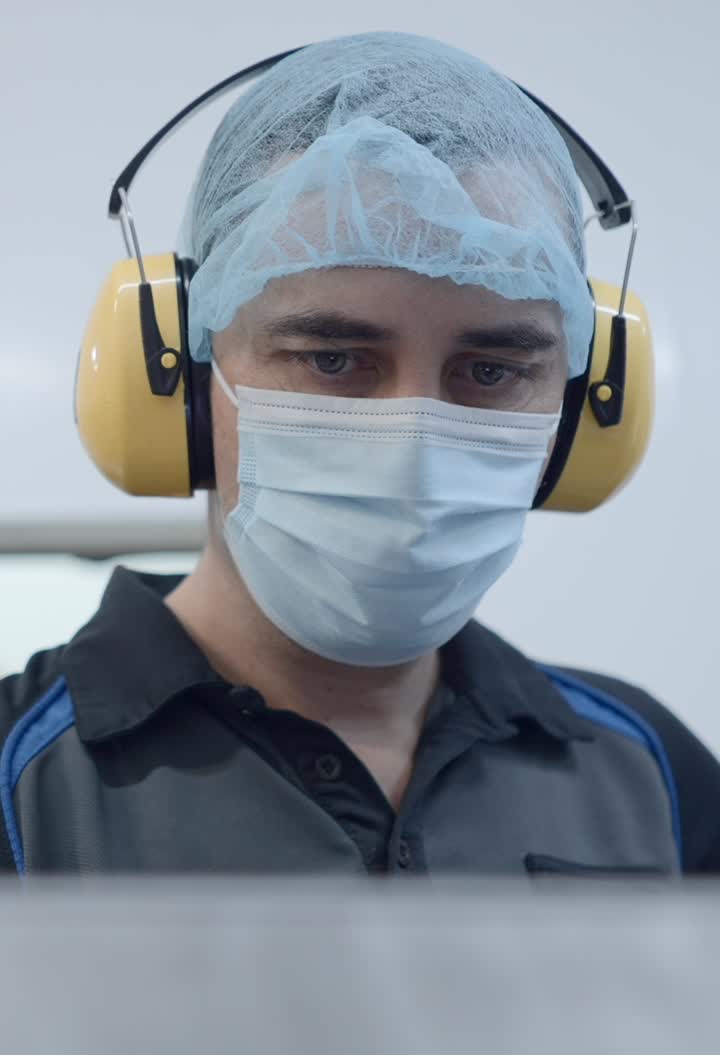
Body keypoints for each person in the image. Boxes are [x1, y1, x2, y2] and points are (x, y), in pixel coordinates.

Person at [2, 31, 719, 875]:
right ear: (179, 382)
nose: (414, 441)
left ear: (585, 409)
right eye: (334, 359)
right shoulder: (21, 783)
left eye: (491, 370)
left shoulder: (658, 776)